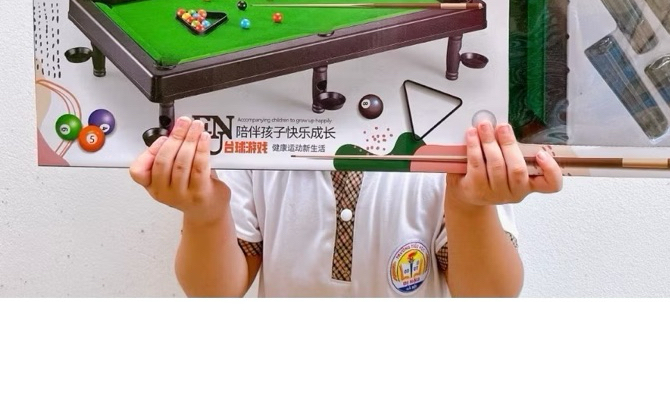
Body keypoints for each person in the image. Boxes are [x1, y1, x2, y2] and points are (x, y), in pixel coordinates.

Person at [129, 115, 563, 297]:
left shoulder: (452, 142)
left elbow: (490, 296)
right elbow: (215, 292)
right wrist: (204, 215)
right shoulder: (254, 133)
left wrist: (470, 207)